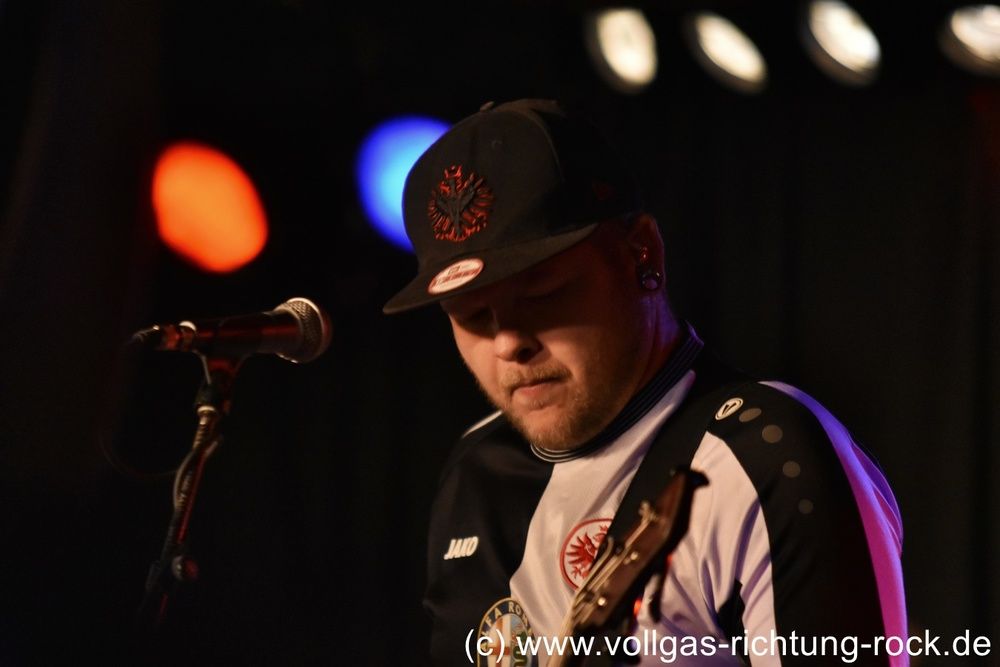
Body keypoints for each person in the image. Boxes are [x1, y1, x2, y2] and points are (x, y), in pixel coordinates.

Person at [384, 99, 907, 666]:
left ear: (642, 253)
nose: (508, 342)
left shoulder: (766, 454)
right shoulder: (475, 469)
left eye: (541, 293)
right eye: (470, 315)